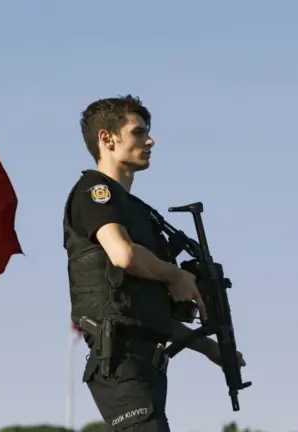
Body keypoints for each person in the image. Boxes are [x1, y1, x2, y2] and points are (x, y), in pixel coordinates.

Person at [62, 95, 246, 431]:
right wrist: (176, 275)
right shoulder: (94, 190)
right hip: (119, 361)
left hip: (146, 361)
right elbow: (123, 254)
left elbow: (143, 311)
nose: (150, 140)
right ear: (107, 138)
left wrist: (211, 349)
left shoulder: (138, 212)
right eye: (138, 132)